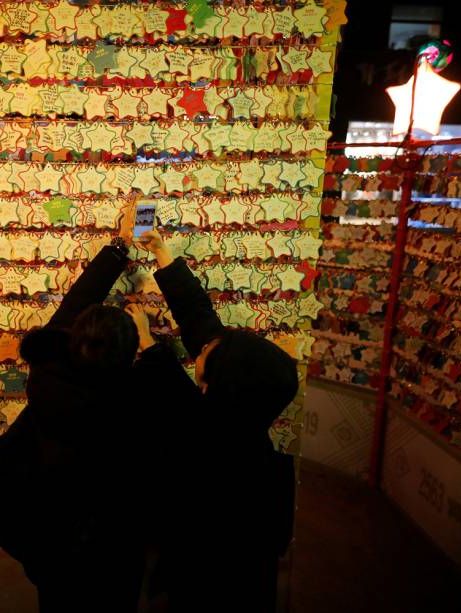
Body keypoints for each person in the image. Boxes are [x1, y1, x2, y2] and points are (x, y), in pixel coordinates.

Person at [0, 236, 181, 613]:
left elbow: (67, 312)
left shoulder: (47, 381)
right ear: (129, 356)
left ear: (72, 345)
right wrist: (150, 344)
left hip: (51, 549)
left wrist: (117, 248)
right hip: (114, 554)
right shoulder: (137, 404)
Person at [128, 229, 300, 613]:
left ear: (218, 382)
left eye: (207, 352)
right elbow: (200, 320)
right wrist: (161, 251)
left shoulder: (205, 445)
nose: (204, 344)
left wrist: (145, 342)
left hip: (207, 585)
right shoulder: (247, 423)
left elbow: (172, 395)